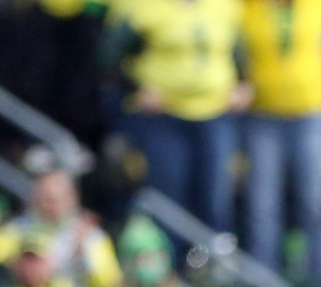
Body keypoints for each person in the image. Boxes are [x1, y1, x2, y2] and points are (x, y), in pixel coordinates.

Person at [242, 0, 321, 287]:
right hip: (263, 113)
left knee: (315, 204)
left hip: (312, 111)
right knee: (262, 206)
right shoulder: (249, 7)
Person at [104, 0, 248, 235]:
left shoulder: (224, 6)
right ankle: (170, 263)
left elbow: (239, 50)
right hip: (165, 116)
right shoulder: (145, 8)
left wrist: (243, 84)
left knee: (215, 195)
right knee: (169, 193)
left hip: (215, 112)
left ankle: (210, 263)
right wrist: (134, 89)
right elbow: (109, 55)